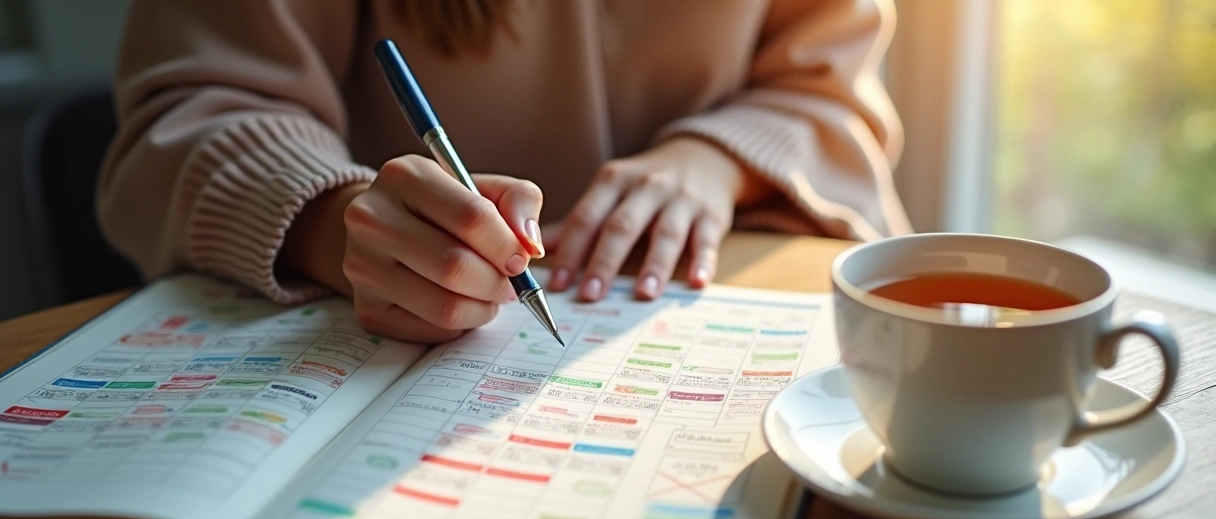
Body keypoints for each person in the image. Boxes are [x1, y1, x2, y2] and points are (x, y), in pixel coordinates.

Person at [98, 0, 910, 344]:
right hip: (371, 330)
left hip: (719, 297)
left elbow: (828, 87)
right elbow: (196, 109)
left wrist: (718, 157)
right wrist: (331, 215)